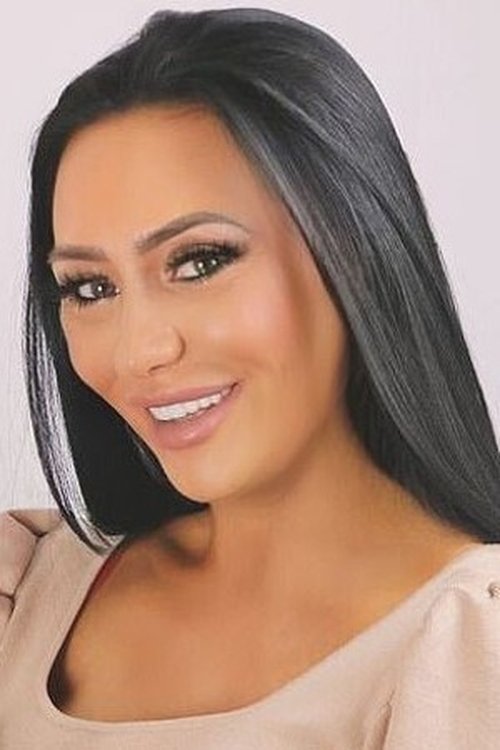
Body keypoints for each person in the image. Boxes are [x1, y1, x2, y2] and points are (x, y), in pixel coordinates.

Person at [1, 7, 499, 748]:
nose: (138, 352)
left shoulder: (465, 649)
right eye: (90, 287)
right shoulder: (31, 587)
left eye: (200, 261)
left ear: (357, 252)